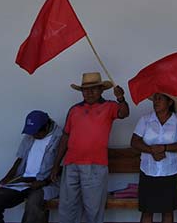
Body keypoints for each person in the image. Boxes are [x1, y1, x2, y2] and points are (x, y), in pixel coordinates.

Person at [50, 72, 130, 223]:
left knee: (93, 210)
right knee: (67, 207)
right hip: (71, 165)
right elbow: (65, 137)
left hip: (95, 166)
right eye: (85, 89)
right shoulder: (74, 110)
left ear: (101, 90)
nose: (89, 92)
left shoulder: (109, 106)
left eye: (93, 89)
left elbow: (124, 113)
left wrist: (121, 98)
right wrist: (56, 165)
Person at [0, 110, 63, 223]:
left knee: (33, 202)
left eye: (37, 132)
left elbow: (62, 167)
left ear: (47, 126)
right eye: (32, 133)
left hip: (47, 183)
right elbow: (20, 159)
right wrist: (8, 177)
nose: (34, 135)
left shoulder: (60, 138)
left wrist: (43, 182)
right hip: (23, 181)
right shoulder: (30, 135)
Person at [131, 92, 177, 223]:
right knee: (147, 211)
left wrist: (164, 148)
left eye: (160, 99)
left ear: (170, 102)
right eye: (154, 99)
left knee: (168, 211)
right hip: (148, 172)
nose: (155, 101)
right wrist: (152, 150)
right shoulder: (145, 120)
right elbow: (134, 141)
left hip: (170, 172)